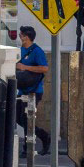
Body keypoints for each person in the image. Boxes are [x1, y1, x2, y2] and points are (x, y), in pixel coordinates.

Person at [15, 25, 51, 155]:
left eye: (22, 35)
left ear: (28, 37)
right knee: (17, 117)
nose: (20, 38)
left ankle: (27, 149)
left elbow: (44, 68)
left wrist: (25, 67)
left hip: (34, 91)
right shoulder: (19, 51)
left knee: (26, 118)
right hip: (22, 90)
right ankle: (43, 135)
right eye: (20, 35)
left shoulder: (37, 51)